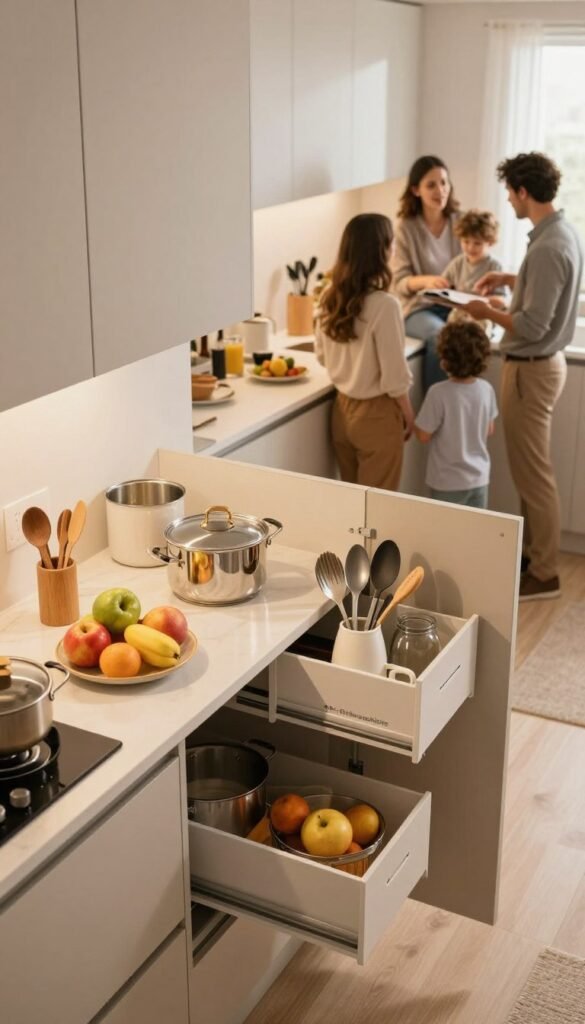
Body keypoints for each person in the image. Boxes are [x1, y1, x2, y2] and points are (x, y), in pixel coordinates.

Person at [465, 152, 584, 601]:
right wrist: (510, 280)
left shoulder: (549, 246)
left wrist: (484, 311)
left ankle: (545, 572)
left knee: (534, 476)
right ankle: (534, 560)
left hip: (531, 371)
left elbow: (532, 325)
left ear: (523, 191)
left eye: (510, 194)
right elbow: (545, 291)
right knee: (531, 472)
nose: (509, 202)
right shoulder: (558, 234)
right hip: (538, 368)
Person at [315, 213, 414, 491]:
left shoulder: (328, 297)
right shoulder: (385, 305)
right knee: (378, 510)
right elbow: (395, 377)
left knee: (355, 508)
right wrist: (409, 415)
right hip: (377, 417)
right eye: (391, 243)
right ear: (381, 251)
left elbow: (322, 356)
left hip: (341, 413)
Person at [391, 155, 461, 390]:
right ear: (415, 190)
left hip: (454, 305)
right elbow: (399, 283)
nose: (440, 190)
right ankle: (436, 406)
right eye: (431, 185)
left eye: (444, 182)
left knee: (469, 336)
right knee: (440, 336)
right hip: (418, 309)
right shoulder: (405, 228)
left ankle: (460, 404)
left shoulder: (459, 222)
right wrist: (426, 281)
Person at [415, 320, 497, 509]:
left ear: (444, 359)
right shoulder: (486, 389)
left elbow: (423, 435)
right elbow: (489, 429)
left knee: (445, 527)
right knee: (475, 526)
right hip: (479, 479)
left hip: (447, 481)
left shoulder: (438, 392)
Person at [443, 209, 507, 310]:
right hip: (459, 311)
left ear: (490, 242)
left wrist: (483, 300)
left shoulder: (495, 266)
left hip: (484, 313)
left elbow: (501, 301)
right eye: (466, 241)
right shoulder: (457, 263)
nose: (470, 248)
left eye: (477, 243)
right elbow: (443, 286)